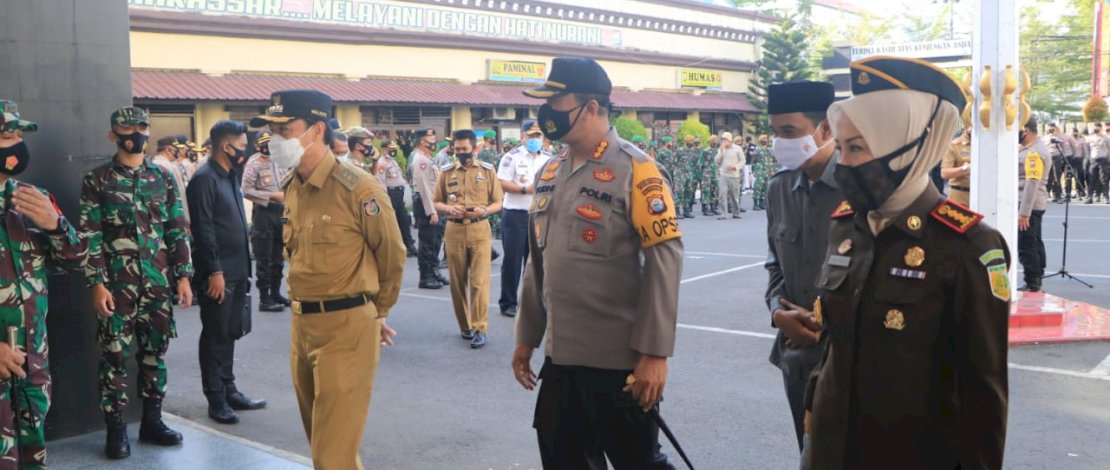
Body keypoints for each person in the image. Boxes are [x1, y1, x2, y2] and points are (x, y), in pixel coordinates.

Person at [804, 56, 1009, 470]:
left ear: (913, 145)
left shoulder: (970, 245)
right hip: (831, 449)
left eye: (857, 148)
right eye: (841, 148)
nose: (843, 164)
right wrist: (812, 406)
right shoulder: (846, 227)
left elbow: (982, 394)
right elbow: (833, 343)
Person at [513, 56, 684, 469]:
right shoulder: (550, 171)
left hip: (619, 364)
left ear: (590, 108)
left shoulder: (637, 170)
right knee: (561, 455)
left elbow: (665, 260)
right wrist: (527, 337)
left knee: (637, 461)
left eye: (556, 102)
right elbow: (539, 261)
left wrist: (655, 354)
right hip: (561, 358)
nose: (546, 114)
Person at [252, 89, 405, 469]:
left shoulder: (358, 188)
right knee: (326, 446)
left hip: (346, 328)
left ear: (316, 129)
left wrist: (377, 313)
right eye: (272, 129)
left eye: (285, 129)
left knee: (330, 457)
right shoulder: (292, 186)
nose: (276, 138)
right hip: (303, 325)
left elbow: (392, 255)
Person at [79, 106, 193, 459]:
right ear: (114, 134)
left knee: (154, 355)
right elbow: (89, 236)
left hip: (157, 283)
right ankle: (116, 431)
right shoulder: (97, 180)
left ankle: (152, 423)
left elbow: (177, 228)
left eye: (141, 126)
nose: (135, 133)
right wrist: (97, 284)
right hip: (116, 286)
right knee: (114, 357)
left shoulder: (162, 177)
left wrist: (184, 276)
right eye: (127, 127)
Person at [0, 100, 87, 469]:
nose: (18, 143)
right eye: (7, 135)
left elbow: (77, 260)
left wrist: (55, 225)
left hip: (32, 365)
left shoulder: (32, 200)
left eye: (20, 134)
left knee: (32, 459)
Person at [762, 81, 839, 453]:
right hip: (798, 354)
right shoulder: (779, 188)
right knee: (809, 453)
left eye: (790, 132)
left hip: (849, 356)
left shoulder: (861, 188)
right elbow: (775, 265)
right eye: (775, 133)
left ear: (826, 129)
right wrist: (777, 311)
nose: (780, 143)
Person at [186, 120, 266, 425]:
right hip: (218, 272)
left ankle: (229, 389)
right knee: (215, 335)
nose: (245, 151)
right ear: (226, 147)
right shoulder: (204, 179)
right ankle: (216, 399)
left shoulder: (229, 175)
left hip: (236, 268)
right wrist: (214, 271)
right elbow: (203, 229)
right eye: (242, 146)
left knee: (230, 332)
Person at [433, 130, 503, 348]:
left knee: (479, 282)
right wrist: (449, 208)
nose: (461, 153)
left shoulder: (487, 171)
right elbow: (436, 202)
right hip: (454, 230)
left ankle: (480, 327)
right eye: (457, 149)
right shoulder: (445, 172)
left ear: (474, 148)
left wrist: (484, 211)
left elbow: (498, 201)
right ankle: (465, 326)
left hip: (479, 229)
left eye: (465, 149)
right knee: (457, 282)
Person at [496, 120, 551, 318]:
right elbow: (502, 182)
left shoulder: (548, 158)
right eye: (531, 136)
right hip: (516, 214)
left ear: (543, 138)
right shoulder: (511, 157)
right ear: (523, 137)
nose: (534, 139)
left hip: (539, 214)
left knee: (536, 261)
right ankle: (508, 302)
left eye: (538, 136)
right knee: (512, 260)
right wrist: (524, 189)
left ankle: (535, 302)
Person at [242, 130, 289, 313]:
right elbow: (245, 190)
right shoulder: (254, 163)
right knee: (264, 255)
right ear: (257, 145)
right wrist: (271, 196)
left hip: (282, 212)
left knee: (279, 254)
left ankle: (276, 292)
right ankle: (264, 297)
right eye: (264, 143)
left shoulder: (282, 160)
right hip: (264, 212)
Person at [410, 128, 449, 289]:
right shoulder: (421, 160)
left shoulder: (427, 158)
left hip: (434, 203)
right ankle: (425, 277)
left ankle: (434, 271)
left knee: (435, 241)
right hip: (427, 204)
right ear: (423, 142)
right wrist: (431, 211)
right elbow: (425, 188)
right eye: (431, 139)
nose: (434, 142)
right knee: (427, 242)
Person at [1018, 117, 1050, 293]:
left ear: (1026, 130)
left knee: (1027, 243)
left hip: (1028, 204)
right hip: (1031, 204)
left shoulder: (1035, 152)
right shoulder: (1029, 149)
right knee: (1034, 240)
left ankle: (1032, 281)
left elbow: (1032, 182)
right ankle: (1036, 277)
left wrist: (1024, 212)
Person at [153, 135, 192, 221]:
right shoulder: (169, 167)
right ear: (168, 150)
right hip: (174, 215)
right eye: (176, 149)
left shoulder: (153, 164)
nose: (178, 152)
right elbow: (179, 194)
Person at [715, 131, 745, 219]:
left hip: (734, 175)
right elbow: (716, 161)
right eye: (722, 140)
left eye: (725, 140)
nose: (723, 142)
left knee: (734, 196)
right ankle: (723, 214)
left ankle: (736, 212)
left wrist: (736, 167)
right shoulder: (721, 149)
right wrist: (721, 151)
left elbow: (743, 161)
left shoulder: (737, 149)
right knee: (722, 194)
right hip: (723, 174)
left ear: (730, 140)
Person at [941, 128, 973, 206]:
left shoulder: (985, 145)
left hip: (982, 196)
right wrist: (965, 169)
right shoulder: (954, 145)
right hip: (960, 196)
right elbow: (945, 173)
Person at [751, 134, 778, 211]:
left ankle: (762, 203)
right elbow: (753, 161)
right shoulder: (757, 150)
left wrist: (773, 170)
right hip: (760, 172)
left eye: (766, 139)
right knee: (758, 187)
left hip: (768, 172)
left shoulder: (770, 150)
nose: (765, 141)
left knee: (766, 188)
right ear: (760, 141)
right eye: (763, 139)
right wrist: (754, 171)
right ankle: (755, 204)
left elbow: (774, 161)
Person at [1085, 126, 1109, 203]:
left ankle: (1105, 197)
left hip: (1103, 159)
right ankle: (1089, 197)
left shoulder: (1106, 138)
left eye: (1097, 129)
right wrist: (1088, 157)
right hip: (1093, 160)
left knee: (1103, 179)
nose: (1096, 130)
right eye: (1094, 128)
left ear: (1100, 129)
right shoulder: (1090, 138)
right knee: (1092, 179)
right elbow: (1087, 148)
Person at [700, 135, 722, 215]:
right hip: (706, 174)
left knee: (715, 190)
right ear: (710, 142)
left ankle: (714, 207)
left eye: (715, 142)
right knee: (706, 190)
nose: (714, 143)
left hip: (715, 173)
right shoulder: (705, 151)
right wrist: (702, 174)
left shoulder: (717, 151)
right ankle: (705, 208)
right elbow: (700, 163)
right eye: (713, 142)